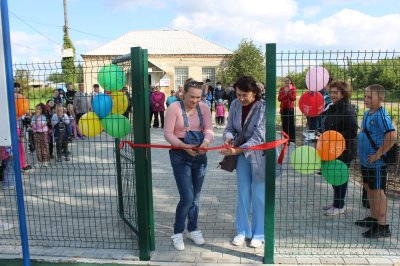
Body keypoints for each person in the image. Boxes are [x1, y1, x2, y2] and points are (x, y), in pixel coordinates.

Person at [221, 76, 279, 248]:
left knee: (259, 195)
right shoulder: (234, 105)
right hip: (241, 156)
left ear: (254, 93)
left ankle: (259, 233)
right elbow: (229, 127)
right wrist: (229, 139)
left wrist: (238, 149)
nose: (241, 98)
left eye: (244, 95)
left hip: (260, 155)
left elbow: (259, 136)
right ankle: (242, 231)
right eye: (238, 94)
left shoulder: (264, 107)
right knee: (243, 193)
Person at [164, 79, 214, 251]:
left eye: (198, 98)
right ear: (183, 93)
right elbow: (168, 134)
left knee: (196, 197)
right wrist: (183, 146)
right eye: (191, 97)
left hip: (199, 155)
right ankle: (177, 232)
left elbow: (208, 130)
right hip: (180, 155)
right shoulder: (174, 108)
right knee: (187, 197)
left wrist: (206, 142)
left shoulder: (205, 108)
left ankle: (193, 229)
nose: (195, 101)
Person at [356, 84, 397, 238]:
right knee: (369, 187)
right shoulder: (368, 113)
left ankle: (382, 226)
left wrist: (378, 154)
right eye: (364, 96)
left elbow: (392, 137)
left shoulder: (381, 115)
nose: (365, 99)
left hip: (376, 163)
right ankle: (373, 218)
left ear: (380, 99)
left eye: (369, 97)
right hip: (366, 161)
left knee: (378, 192)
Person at [321, 81, 357, 216]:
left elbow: (352, 130)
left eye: (335, 92)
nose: (332, 95)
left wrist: (337, 140)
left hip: (344, 150)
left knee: (340, 176)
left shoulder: (347, 109)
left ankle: (339, 205)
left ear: (344, 93)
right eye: (331, 92)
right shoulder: (334, 107)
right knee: (333, 175)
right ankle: (337, 201)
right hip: (332, 148)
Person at [278, 76, 296, 143]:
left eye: (287, 81)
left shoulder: (293, 88)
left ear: (290, 81)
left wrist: (288, 92)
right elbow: (279, 99)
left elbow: (293, 98)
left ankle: (292, 140)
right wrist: (285, 94)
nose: (286, 82)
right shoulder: (281, 88)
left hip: (290, 109)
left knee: (290, 125)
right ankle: (286, 140)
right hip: (283, 109)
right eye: (285, 81)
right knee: (284, 125)